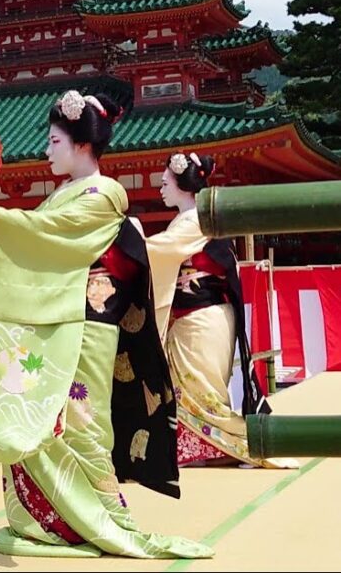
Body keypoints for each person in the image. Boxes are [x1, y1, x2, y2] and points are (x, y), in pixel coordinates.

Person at [0, 90, 211, 559]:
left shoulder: (103, 194)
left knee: (82, 424)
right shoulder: (62, 195)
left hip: (88, 323)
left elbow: (36, 238)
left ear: (81, 144)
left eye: (54, 141)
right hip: (55, 319)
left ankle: (101, 517)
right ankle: (48, 520)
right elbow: (26, 241)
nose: (47, 150)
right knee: (40, 417)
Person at [146, 152, 298, 469]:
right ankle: (204, 449)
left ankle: (248, 441)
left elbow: (158, 250)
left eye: (165, 183)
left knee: (202, 392)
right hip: (197, 317)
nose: (160, 189)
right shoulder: (189, 220)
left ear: (181, 185)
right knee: (186, 388)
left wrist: (124, 242)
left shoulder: (194, 221)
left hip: (202, 316)